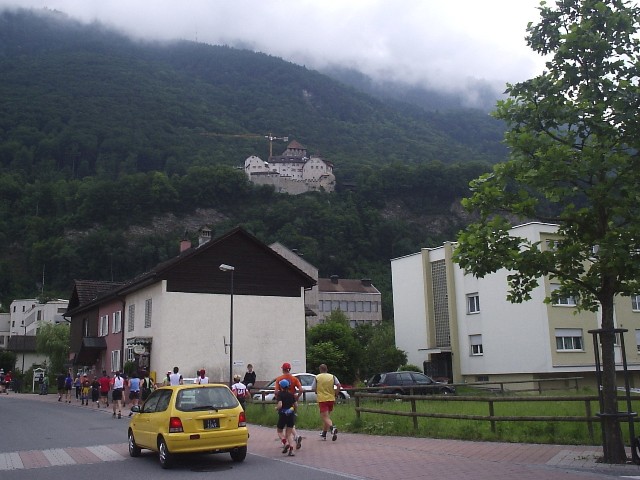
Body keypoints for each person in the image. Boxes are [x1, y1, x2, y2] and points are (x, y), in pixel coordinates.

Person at [274, 362, 304, 449]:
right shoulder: (294, 379)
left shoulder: (279, 379)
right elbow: (301, 389)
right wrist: (297, 397)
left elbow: (276, 391)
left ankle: (287, 442)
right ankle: (295, 437)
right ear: (289, 369)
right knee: (290, 421)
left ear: (282, 369)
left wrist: (278, 398)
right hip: (292, 402)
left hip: (283, 403)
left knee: (283, 424)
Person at [312, 363, 341, 441]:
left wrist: (316, 391)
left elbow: (313, 388)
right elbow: (338, 385)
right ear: (327, 369)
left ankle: (332, 428)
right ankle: (324, 433)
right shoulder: (332, 376)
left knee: (324, 417)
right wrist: (336, 393)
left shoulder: (317, 377)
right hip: (331, 398)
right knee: (327, 417)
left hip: (322, 399)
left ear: (320, 370)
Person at [275, 378, 297, 457]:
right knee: (289, 434)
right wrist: (294, 411)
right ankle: (291, 449)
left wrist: (276, 408)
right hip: (291, 414)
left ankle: (285, 442)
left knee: (279, 431)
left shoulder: (280, 394)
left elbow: (280, 405)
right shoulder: (291, 394)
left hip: (283, 415)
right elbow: (296, 405)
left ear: (281, 386)